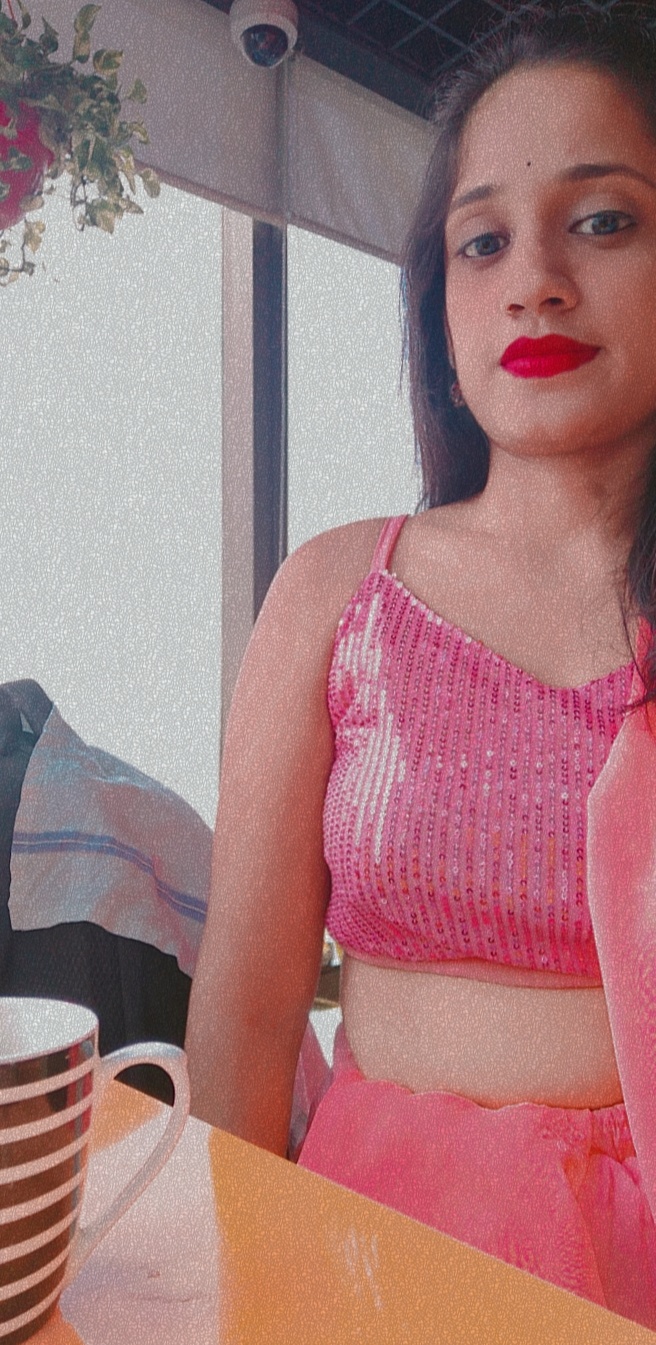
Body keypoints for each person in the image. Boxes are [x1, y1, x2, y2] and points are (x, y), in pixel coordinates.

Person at [185, 2, 656, 1326]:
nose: (535, 279)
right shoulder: (339, 595)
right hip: (361, 1265)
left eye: (602, 220)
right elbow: (247, 1013)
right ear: (438, 308)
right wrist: (227, 1286)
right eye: (481, 240)